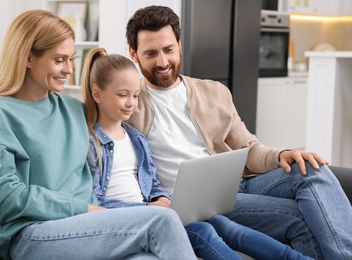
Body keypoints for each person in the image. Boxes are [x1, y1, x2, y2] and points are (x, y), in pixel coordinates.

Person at [125, 5, 352, 260]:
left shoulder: (213, 92)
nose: (163, 62)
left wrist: (282, 155)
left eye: (168, 50)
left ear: (179, 44)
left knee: (311, 168)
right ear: (133, 54)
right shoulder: (127, 104)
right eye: (151, 53)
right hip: (195, 204)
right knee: (301, 215)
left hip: (238, 184)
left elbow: (248, 147)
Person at [0, 9, 197, 260]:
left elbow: (122, 106)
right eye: (59, 60)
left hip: (86, 224)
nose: (68, 69)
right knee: (161, 221)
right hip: (30, 233)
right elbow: (3, 198)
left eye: (71, 59)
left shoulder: (74, 110)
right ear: (28, 58)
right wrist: (82, 208)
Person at [82, 47, 311, 260]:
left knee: (223, 224)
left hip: (155, 212)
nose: (131, 103)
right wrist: (147, 209)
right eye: (123, 95)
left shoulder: (136, 138)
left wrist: (161, 198)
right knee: (202, 231)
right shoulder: (90, 142)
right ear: (97, 94)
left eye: (134, 95)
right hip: (127, 219)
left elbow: (151, 183)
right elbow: (93, 200)